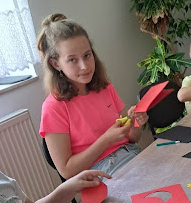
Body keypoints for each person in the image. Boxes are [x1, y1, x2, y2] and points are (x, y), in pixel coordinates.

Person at [38, 14, 149, 179]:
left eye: (87, 55)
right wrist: (106, 140)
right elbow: (66, 171)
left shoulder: (105, 87)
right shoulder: (53, 107)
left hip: (131, 155)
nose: (84, 66)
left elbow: (133, 138)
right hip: (98, 175)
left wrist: (135, 124)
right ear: (56, 64)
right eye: (72, 60)